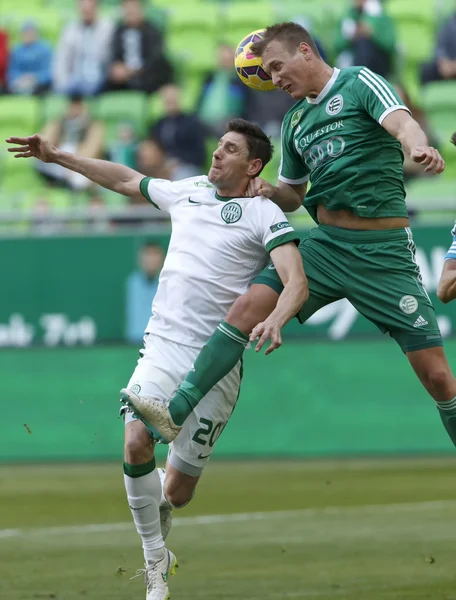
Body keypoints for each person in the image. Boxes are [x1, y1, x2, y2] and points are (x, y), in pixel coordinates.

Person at [124, 22, 456, 462]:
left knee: (438, 379)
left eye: (278, 68)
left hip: (385, 253)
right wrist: (266, 191)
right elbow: (294, 195)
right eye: (268, 73)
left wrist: (417, 147)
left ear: (305, 51)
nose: (275, 80)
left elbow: (402, 125)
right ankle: (176, 410)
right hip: (328, 245)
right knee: (246, 308)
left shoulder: (358, 82)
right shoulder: (295, 121)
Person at [6, 118, 308, 600]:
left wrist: (277, 318)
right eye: (218, 146)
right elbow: (125, 179)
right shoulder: (187, 190)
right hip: (163, 347)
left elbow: (295, 277)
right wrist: (58, 156)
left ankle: (164, 504)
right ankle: (154, 565)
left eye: (229, 150)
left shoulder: (263, 213)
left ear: (253, 165)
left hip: (217, 361)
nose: (216, 154)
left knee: (177, 494)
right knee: (135, 442)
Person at [36, 94, 104, 190]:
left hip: (80, 159)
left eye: (77, 107)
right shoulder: (59, 122)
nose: (74, 110)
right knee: (40, 162)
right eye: (72, 106)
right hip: (60, 159)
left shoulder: (92, 125)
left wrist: (74, 164)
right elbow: (45, 140)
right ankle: (62, 181)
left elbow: (93, 147)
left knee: (80, 180)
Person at [108, 0, 174, 94]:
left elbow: (155, 58)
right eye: (128, 11)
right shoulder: (119, 31)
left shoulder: (152, 31)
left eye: (133, 10)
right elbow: (114, 54)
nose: (131, 13)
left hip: (146, 76)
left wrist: (131, 71)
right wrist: (117, 67)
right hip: (124, 77)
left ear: (141, 11)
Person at [53, 0, 113, 96]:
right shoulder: (69, 30)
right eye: (84, 9)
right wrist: (62, 82)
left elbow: (111, 58)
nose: (86, 12)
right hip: (75, 80)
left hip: (100, 80)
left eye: (90, 9)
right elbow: (61, 60)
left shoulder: (108, 28)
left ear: (97, 8)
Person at [149, 85, 207, 179]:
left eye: (172, 100)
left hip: (186, 166)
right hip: (162, 166)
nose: (170, 104)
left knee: (179, 179)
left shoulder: (191, 123)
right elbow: (153, 147)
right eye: (167, 101)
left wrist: (176, 161)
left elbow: (199, 155)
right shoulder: (159, 124)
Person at [335, 0, 396, 79]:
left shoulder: (380, 16)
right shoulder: (348, 16)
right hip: (353, 58)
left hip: (378, 61)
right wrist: (352, 36)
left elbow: (390, 44)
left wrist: (372, 33)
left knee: (364, 43)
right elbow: (337, 46)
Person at [126, 242, 164, 344]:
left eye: (154, 254)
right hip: (134, 343)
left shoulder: (166, 283)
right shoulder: (133, 282)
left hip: (160, 343)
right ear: (140, 258)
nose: (151, 259)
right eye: (147, 254)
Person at [7, 21, 52, 95]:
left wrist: (35, 78)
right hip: (19, 84)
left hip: (40, 86)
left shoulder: (45, 49)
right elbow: (12, 71)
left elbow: (48, 71)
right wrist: (21, 78)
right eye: (26, 33)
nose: (28, 35)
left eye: (31, 32)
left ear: (37, 33)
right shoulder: (17, 50)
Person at [421, 10, 456, 84]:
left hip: (452, 66)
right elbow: (439, 45)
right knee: (425, 70)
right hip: (446, 66)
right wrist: (443, 62)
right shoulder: (448, 22)